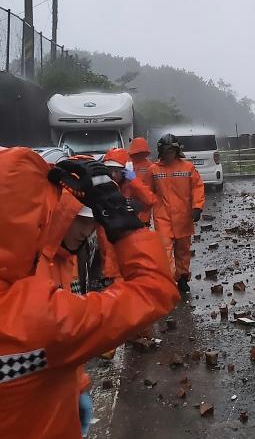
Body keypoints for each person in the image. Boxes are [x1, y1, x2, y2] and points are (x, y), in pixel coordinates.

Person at [0, 147, 179, 438]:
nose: (86, 231)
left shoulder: (43, 278)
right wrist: (122, 221)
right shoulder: (34, 316)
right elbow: (153, 290)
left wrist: (76, 383)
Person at [35, 191, 97, 437]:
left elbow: (67, 331)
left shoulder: (65, 260)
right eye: (81, 220)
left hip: (62, 387)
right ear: (62, 215)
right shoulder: (31, 263)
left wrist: (78, 384)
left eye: (92, 223)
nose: (87, 230)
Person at [149, 134, 205, 293]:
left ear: (176, 151)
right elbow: (146, 192)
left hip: (183, 216)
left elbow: (197, 187)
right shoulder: (154, 170)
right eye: (165, 151)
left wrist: (197, 207)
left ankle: (182, 279)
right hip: (163, 217)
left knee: (183, 250)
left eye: (170, 151)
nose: (168, 155)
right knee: (165, 251)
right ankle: (168, 281)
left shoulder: (188, 168)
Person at [97, 148, 157, 283]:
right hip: (110, 260)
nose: (112, 174)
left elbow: (150, 200)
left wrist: (135, 182)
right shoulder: (101, 188)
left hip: (129, 252)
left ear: (125, 171)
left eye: (116, 171)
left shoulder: (132, 187)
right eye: (109, 170)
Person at [128, 137, 155, 226]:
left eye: (141, 152)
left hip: (144, 207)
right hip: (128, 206)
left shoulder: (150, 166)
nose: (139, 154)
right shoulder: (126, 164)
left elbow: (151, 190)